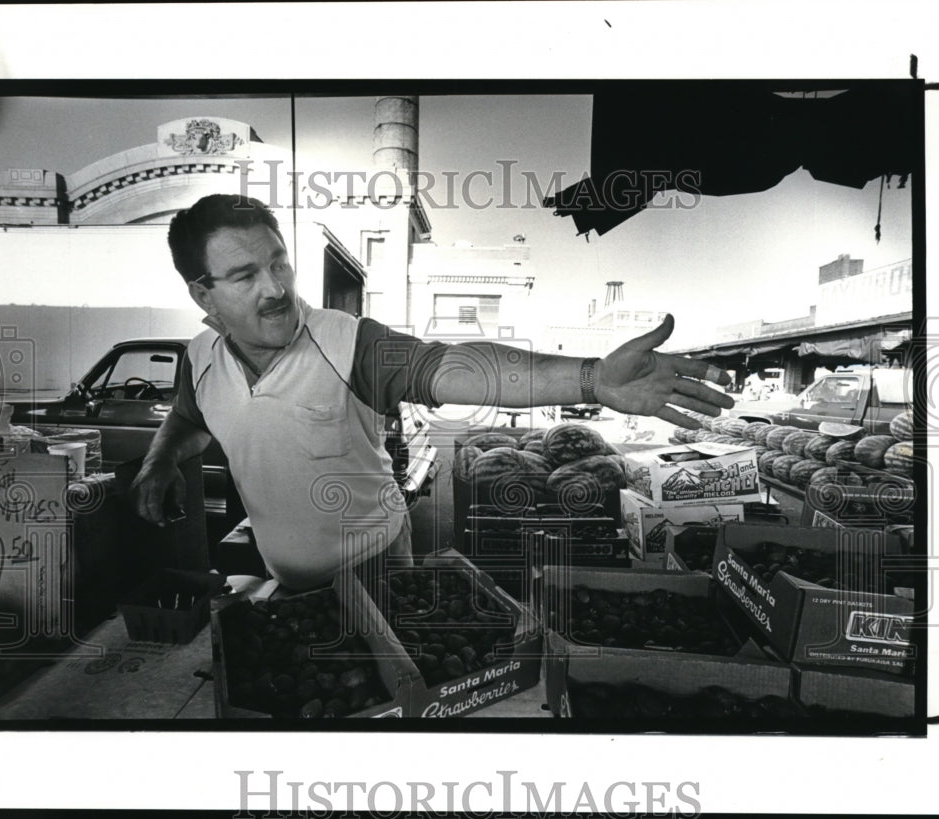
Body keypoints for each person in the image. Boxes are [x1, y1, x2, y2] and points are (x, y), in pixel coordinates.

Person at [131, 194, 733, 591]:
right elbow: (189, 419)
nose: (276, 288)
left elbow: (457, 368)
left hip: (376, 569)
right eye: (245, 276)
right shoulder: (200, 356)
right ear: (203, 295)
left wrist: (589, 378)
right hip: (284, 578)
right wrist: (160, 462)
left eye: (279, 264)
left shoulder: (351, 344)